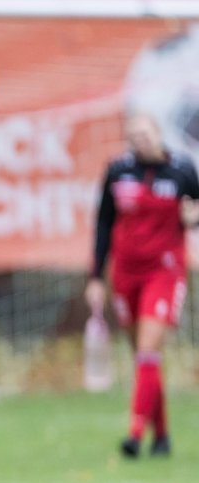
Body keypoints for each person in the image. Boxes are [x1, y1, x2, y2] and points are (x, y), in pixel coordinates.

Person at [87, 112, 199, 458]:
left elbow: (196, 208)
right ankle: (161, 435)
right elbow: (103, 224)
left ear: (157, 132)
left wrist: (193, 217)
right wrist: (95, 277)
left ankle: (135, 434)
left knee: (149, 348)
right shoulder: (118, 171)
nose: (140, 140)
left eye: (145, 133)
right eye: (133, 135)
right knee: (143, 357)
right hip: (126, 274)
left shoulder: (182, 170)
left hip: (164, 271)